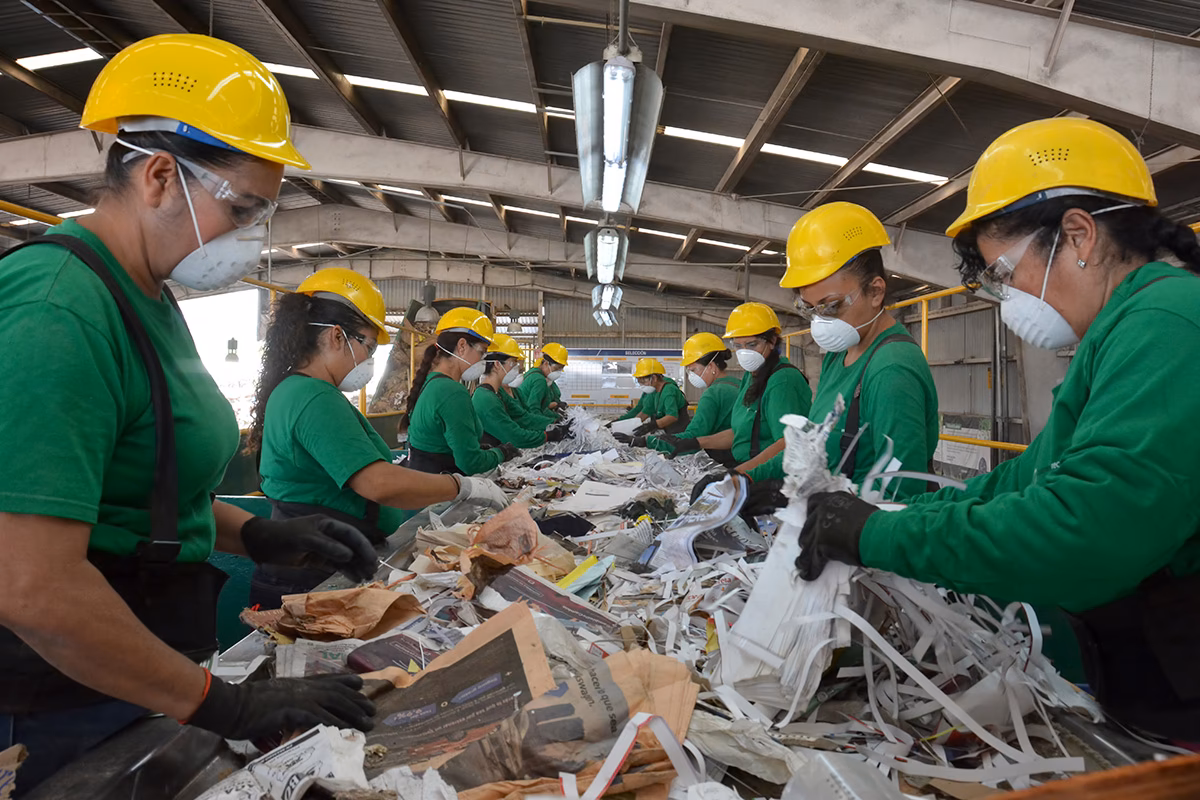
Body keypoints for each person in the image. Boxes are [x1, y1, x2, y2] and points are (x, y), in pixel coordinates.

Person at [0, 34, 377, 794]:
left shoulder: (149, 300)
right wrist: (223, 703)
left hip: (132, 672)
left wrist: (256, 530)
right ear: (161, 176)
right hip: (55, 697)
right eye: (240, 207)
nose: (250, 236)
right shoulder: (58, 310)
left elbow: (141, 486)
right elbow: (31, 586)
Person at [793, 117, 1200, 740]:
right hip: (1151, 674)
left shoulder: (1166, 324)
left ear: (1079, 234)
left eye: (1005, 275)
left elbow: (1083, 529)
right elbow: (1028, 475)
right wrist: (899, 521)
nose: (1007, 299)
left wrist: (881, 535)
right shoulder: (1117, 333)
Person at [248, 268, 510, 608]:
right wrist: (463, 487)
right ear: (336, 337)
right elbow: (378, 483)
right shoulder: (313, 397)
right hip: (308, 577)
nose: (369, 358)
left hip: (314, 563)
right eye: (368, 345)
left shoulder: (299, 390)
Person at [739, 203, 939, 501]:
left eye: (831, 306)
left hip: (867, 535)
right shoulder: (839, 354)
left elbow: (900, 494)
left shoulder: (892, 369)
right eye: (811, 309)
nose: (821, 321)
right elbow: (812, 444)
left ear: (876, 292)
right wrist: (745, 477)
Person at [689, 303, 812, 499]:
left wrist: (735, 475)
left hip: (771, 481)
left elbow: (788, 443)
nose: (744, 352)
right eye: (738, 346)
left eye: (752, 344)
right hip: (750, 472)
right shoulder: (751, 376)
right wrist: (694, 442)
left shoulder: (783, 380)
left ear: (772, 341)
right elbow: (740, 432)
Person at [404, 308, 521, 474]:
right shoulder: (452, 392)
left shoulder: (432, 382)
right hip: (441, 489)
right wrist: (501, 453)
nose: (482, 361)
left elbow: (440, 441)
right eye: (481, 352)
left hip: (424, 481)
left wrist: (477, 447)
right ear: (462, 346)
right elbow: (470, 463)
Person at [646, 333, 741, 465]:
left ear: (711, 367)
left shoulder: (713, 393)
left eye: (694, 370)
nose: (691, 376)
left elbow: (694, 435)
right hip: (743, 456)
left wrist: (648, 442)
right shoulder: (738, 383)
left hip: (726, 460)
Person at [474, 332, 571, 448]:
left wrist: (555, 423)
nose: (517, 368)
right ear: (497, 364)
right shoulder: (485, 398)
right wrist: (548, 436)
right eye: (513, 363)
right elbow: (513, 436)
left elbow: (523, 417)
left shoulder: (498, 393)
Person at [613, 357, 690, 440]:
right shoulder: (654, 391)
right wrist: (629, 426)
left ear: (654, 378)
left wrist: (652, 425)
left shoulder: (669, 391)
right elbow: (645, 412)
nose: (642, 385)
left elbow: (672, 416)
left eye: (643, 382)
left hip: (680, 432)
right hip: (667, 431)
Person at [518, 342, 569, 417]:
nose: (558, 372)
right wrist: (556, 419)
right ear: (545, 364)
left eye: (560, 369)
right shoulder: (539, 380)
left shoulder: (545, 379)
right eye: (556, 369)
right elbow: (534, 410)